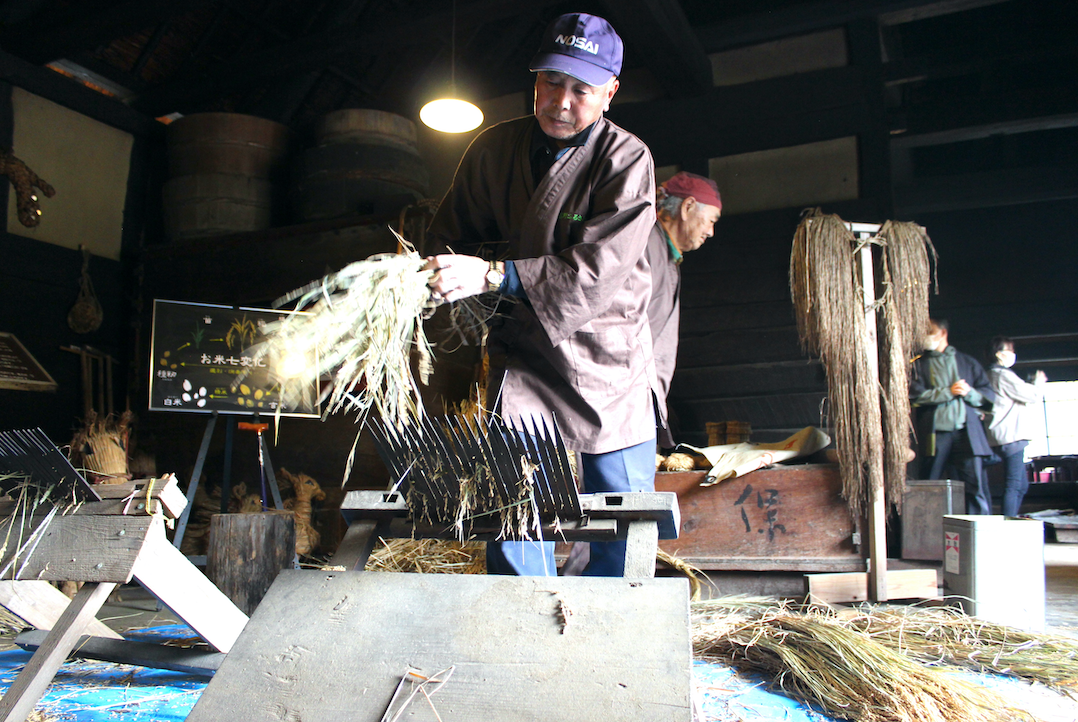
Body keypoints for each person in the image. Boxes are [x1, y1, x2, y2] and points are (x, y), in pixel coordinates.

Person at [423, 12, 658, 577]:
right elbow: (452, 234)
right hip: (523, 354)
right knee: (512, 507)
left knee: (621, 514)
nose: (561, 102)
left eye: (581, 90)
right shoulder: (493, 150)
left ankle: (614, 632)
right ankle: (522, 634)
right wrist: (426, 275)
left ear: (610, 92)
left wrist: (492, 275)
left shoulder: (626, 161)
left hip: (605, 359)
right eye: (551, 82)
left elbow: (597, 269)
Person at [647, 172, 722, 448]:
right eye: (711, 220)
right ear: (687, 207)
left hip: (638, 407)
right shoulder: (646, 246)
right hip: (622, 406)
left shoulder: (667, 258)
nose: (711, 231)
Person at [910, 319, 996, 514]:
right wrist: (948, 391)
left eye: (929, 331)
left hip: (966, 434)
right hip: (935, 434)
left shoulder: (966, 362)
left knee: (975, 486)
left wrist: (969, 392)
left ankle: (978, 532)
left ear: (943, 333)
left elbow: (988, 394)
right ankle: (925, 531)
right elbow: (914, 396)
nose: (925, 336)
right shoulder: (918, 366)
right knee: (929, 484)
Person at [984, 336, 1046, 516]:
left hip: (997, 435)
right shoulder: (1002, 375)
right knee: (1013, 485)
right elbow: (1031, 395)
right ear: (998, 354)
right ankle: (1008, 522)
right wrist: (1038, 384)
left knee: (1021, 486)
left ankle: (1011, 519)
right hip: (1011, 436)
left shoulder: (988, 375)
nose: (1013, 354)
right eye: (1009, 351)